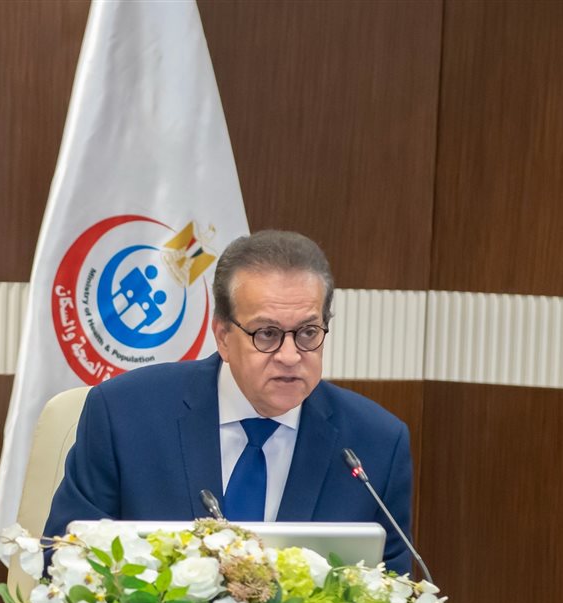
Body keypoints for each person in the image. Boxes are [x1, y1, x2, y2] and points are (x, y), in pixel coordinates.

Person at [44, 230, 413, 575]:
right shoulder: (125, 416)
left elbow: (395, 593)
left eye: (307, 332)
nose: (289, 355)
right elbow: (63, 563)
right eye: (266, 333)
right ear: (222, 336)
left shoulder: (376, 444)